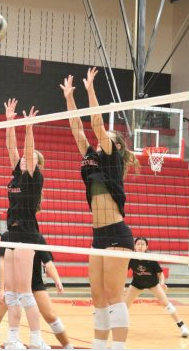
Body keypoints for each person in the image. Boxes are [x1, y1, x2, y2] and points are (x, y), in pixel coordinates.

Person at [60, 68, 140, 350]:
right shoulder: (91, 156)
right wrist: (70, 98)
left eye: (108, 136)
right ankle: (98, 346)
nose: (101, 138)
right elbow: (76, 128)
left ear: (116, 145)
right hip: (98, 236)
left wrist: (91, 90)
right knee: (97, 296)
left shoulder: (112, 156)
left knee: (113, 294)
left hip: (117, 233)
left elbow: (95, 124)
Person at [2, 98, 49, 350]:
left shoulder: (33, 178)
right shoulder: (17, 174)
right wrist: (10, 122)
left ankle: (35, 340)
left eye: (27, 159)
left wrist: (29, 127)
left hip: (27, 235)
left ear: (34, 165)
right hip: (11, 234)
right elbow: (12, 149)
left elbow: (28, 154)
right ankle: (12, 339)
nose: (21, 159)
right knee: (10, 292)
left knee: (23, 291)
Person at [0, 232, 74, 350]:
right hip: (11, 285)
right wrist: (1, 288)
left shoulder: (36, 237)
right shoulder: (7, 236)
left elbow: (48, 262)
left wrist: (57, 280)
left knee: (51, 316)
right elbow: (3, 261)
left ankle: (68, 347)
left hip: (34, 284)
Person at [125, 237, 189, 338]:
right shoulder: (131, 258)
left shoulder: (151, 259)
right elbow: (123, 271)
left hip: (153, 284)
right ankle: (119, 324)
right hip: (137, 284)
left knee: (167, 305)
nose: (140, 246)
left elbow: (161, 273)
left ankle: (183, 327)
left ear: (146, 247)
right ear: (135, 246)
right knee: (124, 306)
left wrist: (162, 283)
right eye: (138, 244)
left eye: (142, 244)